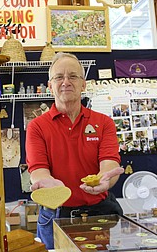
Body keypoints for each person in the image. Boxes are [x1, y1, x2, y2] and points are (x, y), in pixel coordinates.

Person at [25, 52, 124, 250]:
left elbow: (109, 163)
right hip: (55, 214)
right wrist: (49, 185)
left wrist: (104, 180)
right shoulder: (37, 126)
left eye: (73, 76)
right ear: (50, 85)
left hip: (98, 214)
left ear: (83, 84)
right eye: (59, 77)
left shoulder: (104, 123)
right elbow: (38, 170)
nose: (66, 82)